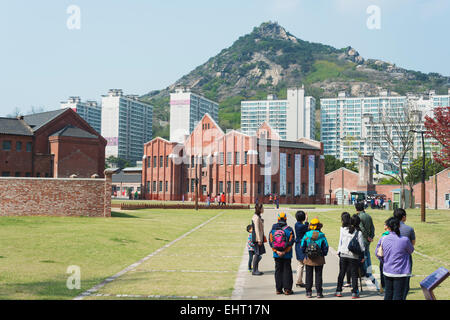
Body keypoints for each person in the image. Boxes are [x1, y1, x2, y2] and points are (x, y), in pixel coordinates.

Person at [375, 217, 414, 300]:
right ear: (399, 226)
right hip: (401, 272)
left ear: (388, 227)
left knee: (388, 294)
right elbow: (411, 250)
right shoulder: (405, 240)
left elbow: (378, 253)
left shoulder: (383, 238)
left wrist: (385, 262)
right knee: (398, 295)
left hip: (387, 270)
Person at [335, 213, 365, 298]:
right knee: (354, 274)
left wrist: (339, 251)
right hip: (353, 256)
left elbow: (340, 241)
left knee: (342, 273)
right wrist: (362, 257)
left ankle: (338, 291)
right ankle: (355, 292)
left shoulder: (344, 230)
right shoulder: (358, 233)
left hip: (343, 254)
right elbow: (362, 247)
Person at [301, 218, 329, 298]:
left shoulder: (306, 235)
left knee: (308, 275)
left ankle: (308, 292)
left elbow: (303, 246)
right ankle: (319, 292)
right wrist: (323, 254)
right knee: (318, 275)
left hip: (308, 257)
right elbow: (325, 247)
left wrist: (305, 252)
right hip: (319, 258)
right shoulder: (322, 236)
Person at [269, 212, 295, 295]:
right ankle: (287, 290)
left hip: (276, 254)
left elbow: (271, 241)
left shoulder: (273, 228)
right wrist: (285, 251)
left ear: (278, 219)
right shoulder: (289, 229)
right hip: (287, 254)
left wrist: (277, 251)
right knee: (287, 271)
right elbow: (291, 242)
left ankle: (278, 289)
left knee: (278, 271)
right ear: (286, 219)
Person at [393, 208, 416, 300]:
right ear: (403, 217)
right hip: (405, 258)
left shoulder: (390, 228)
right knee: (405, 284)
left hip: (392, 258)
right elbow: (412, 243)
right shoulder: (409, 229)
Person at [355, 202, 375, 280]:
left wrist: (367, 237)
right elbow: (372, 228)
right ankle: (369, 272)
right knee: (368, 254)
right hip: (368, 239)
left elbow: (361, 228)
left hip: (362, 238)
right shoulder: (368, 216)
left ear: (356, 209)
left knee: (363, 256)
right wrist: (371, 236)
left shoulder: (359, 217)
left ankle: (366, 272)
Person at [294, 210, 309, 288]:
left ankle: (299, 280)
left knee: (300, 264)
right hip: (302, 245)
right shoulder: (302, 226)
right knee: (301, 264)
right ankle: (299, 281)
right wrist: (306, 221)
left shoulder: (296, 224)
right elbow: (307, 229)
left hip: (297, 245)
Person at [251, 203, 266, 275]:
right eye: (262, 208)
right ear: (259, 209)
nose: (263, 209)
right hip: (257, 238)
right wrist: (259, 239)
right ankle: (254, 270)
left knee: (258, 253)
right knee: (257, 254)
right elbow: (256, 229)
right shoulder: (256, 218)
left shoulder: (258, 216)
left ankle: (256, 269)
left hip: (259, 237)